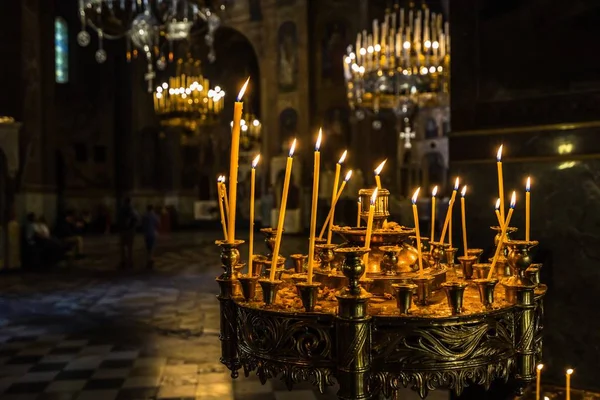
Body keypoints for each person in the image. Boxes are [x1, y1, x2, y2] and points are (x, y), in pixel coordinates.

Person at [118, 197, 138, 269]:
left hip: (123, 230)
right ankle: (130, 261)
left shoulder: (121, 210)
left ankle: (123, 260)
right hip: (130, 231)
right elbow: (137, 219)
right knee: (130, 247)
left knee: (122, 246)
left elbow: (118, 219)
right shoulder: (132, 210)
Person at [141, 205, 160, 269]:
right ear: (152, 209)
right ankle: (151, 258)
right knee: (152, 246)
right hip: (152, 233)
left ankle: (148, 257)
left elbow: (142, 223)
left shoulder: (144, 215)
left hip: (146, 233)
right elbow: (158, 223)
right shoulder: (154, 216)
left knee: (148, 246)